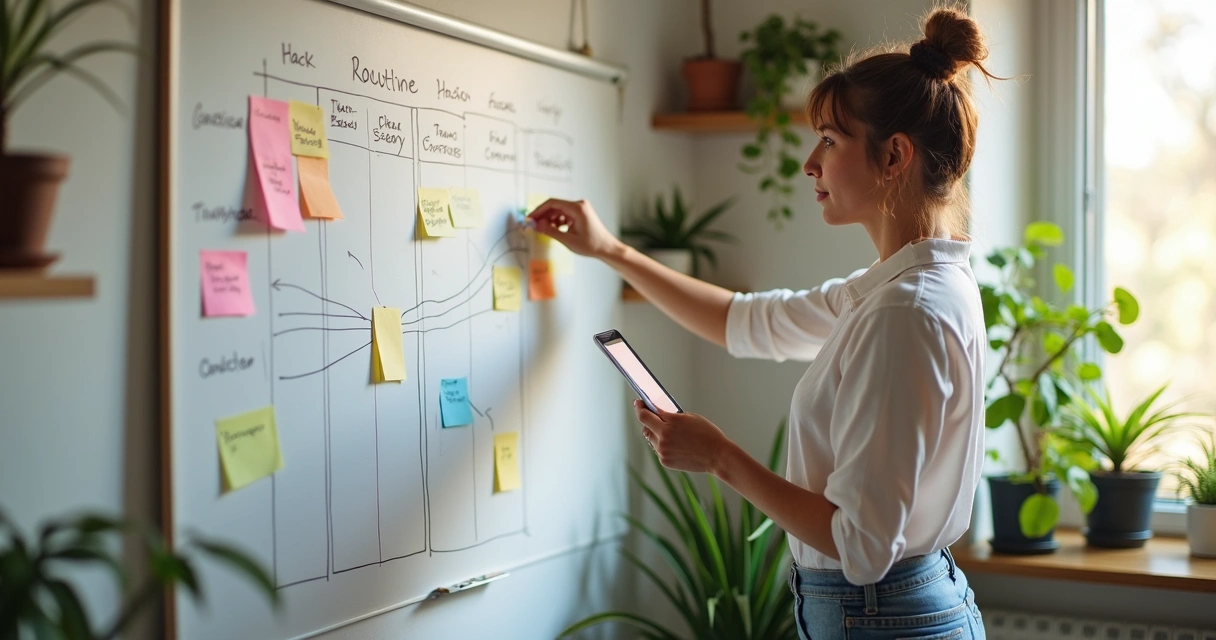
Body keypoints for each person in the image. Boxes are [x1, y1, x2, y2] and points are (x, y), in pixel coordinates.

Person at [528, 7, 997, 639]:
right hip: (891, 608)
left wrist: (719, 456)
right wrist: (612, 251)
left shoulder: (904, 314)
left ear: (894, 157)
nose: (810, 162)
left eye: (830, 140)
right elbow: (740, 322)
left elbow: (861, 547)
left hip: (880, 617)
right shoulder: (908, 289)